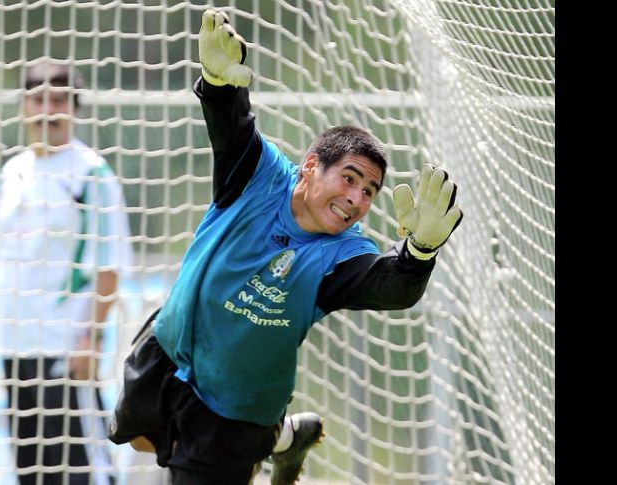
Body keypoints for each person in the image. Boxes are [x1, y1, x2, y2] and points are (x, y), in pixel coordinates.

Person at [108, 9, 463, 485]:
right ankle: (284, 439)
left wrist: (419, 251)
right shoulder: (259, 175)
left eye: (370, 192)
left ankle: (267, 437)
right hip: (169, 347)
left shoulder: (343, 255)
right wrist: (217, 82)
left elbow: (393, 288)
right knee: (140, 438)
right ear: (311, 166)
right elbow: (231, 124)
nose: (357, 199)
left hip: (235, 409)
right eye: (351, 179)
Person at [0, 60, 133, 485]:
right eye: (38, 99)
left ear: (73, 109)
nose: (48, 109)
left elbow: (109, 266)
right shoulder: (12, 171)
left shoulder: (92, 174)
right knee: (32, 471)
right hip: (16, 348)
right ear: (24, 107)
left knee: (86, 471)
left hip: (65, 351)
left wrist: (90, 338)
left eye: (59, 100)